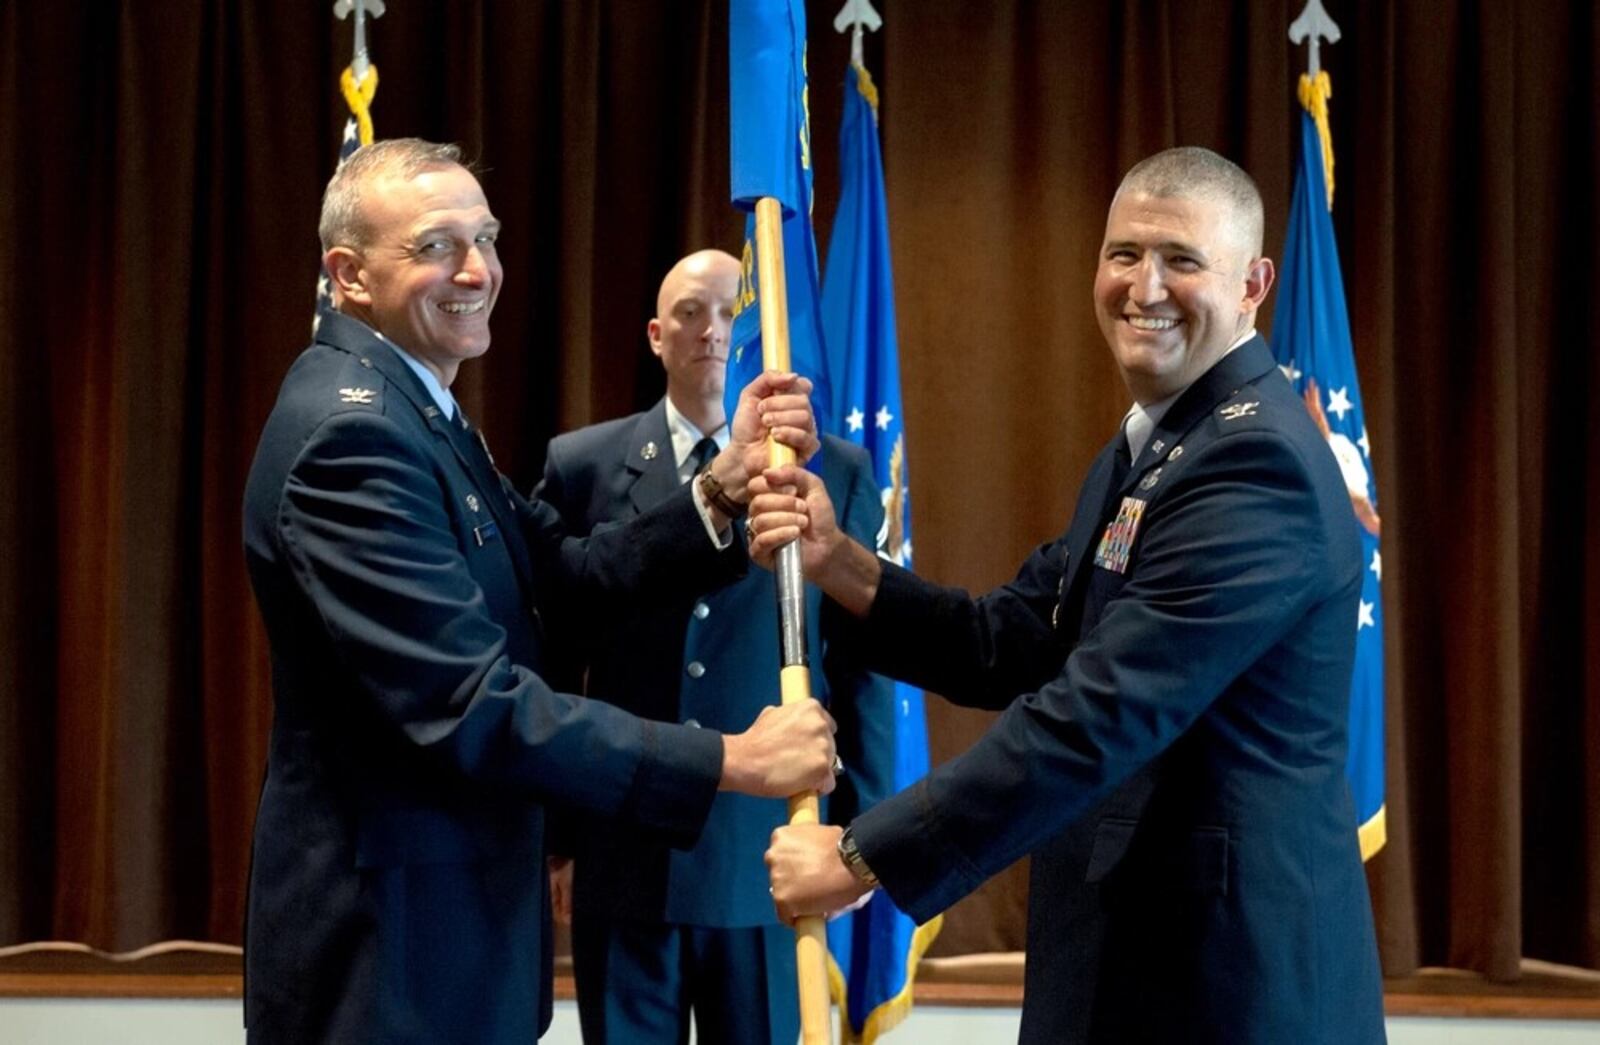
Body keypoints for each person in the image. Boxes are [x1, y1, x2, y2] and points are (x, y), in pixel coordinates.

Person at [752, 147, 1387, 1044]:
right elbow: (1008, 639)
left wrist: (863, 856)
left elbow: (1098, 715)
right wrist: (838, 562)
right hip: (1134, 961)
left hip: (1226, 987)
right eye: (1124, 253)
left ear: (1254, 283)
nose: (1145, 286)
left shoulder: (1256, 464)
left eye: (1182, 260)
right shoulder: (1155, 447)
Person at [241, 138, 838, 1045]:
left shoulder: (416, 407)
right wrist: (731, 760)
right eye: (437, 246)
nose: (478, 270)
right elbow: (474, 705)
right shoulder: (351, 439)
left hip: (449, 937)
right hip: (391, 958)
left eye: (486, 238)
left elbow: (558, 581)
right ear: (349, 275)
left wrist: (722, 484)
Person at [536, 249, 895, 1045]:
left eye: (733, 313)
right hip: (624, 850)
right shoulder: (583, 464)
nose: (713, 331)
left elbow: (862, 667)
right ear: (656, 336)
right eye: (691, 313)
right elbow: (557, 655)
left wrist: (861, 831)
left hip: (765, 856)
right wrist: (558, 839)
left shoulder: (834, 469)